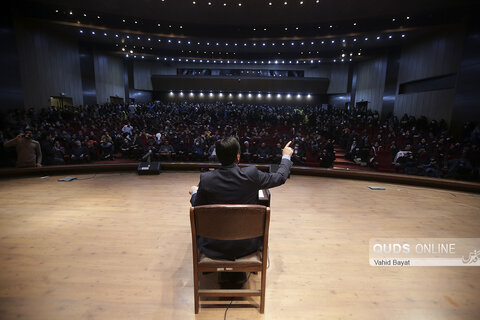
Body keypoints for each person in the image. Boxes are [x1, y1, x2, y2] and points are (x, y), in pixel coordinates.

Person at [189, 136, 293, 287]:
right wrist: (286, 156)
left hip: (214, 246)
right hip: (248, 245)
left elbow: (197, 207)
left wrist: (194, 192)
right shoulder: (251, 175)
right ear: (238, 156)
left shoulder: (206, 179)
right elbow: (280, 177)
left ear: (217, 156)